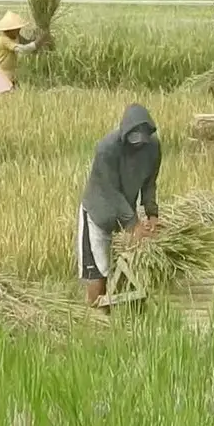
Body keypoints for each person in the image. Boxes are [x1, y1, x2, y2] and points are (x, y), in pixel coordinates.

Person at [77, 104, 162, 309]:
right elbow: (110, 191)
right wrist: (133, 223)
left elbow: (149, 183)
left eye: (142, 142)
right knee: (97, 273)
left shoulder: (153, 148)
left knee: (121, 267)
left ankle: (119, 313)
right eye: (134, 142)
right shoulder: (107, 148)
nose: (138, 145)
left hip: (124, 212)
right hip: (98, 213)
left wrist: (152, 214)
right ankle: (94, 316)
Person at [0, 10, 39, 85]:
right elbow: (22, 49)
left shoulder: (16, 36)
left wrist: (37, 39)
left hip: (11, 72)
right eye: (16, 29)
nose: (19, 31)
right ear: (9, 30)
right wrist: (36, 44)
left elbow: (26, 43)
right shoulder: (3, 39)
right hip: (1, 72)